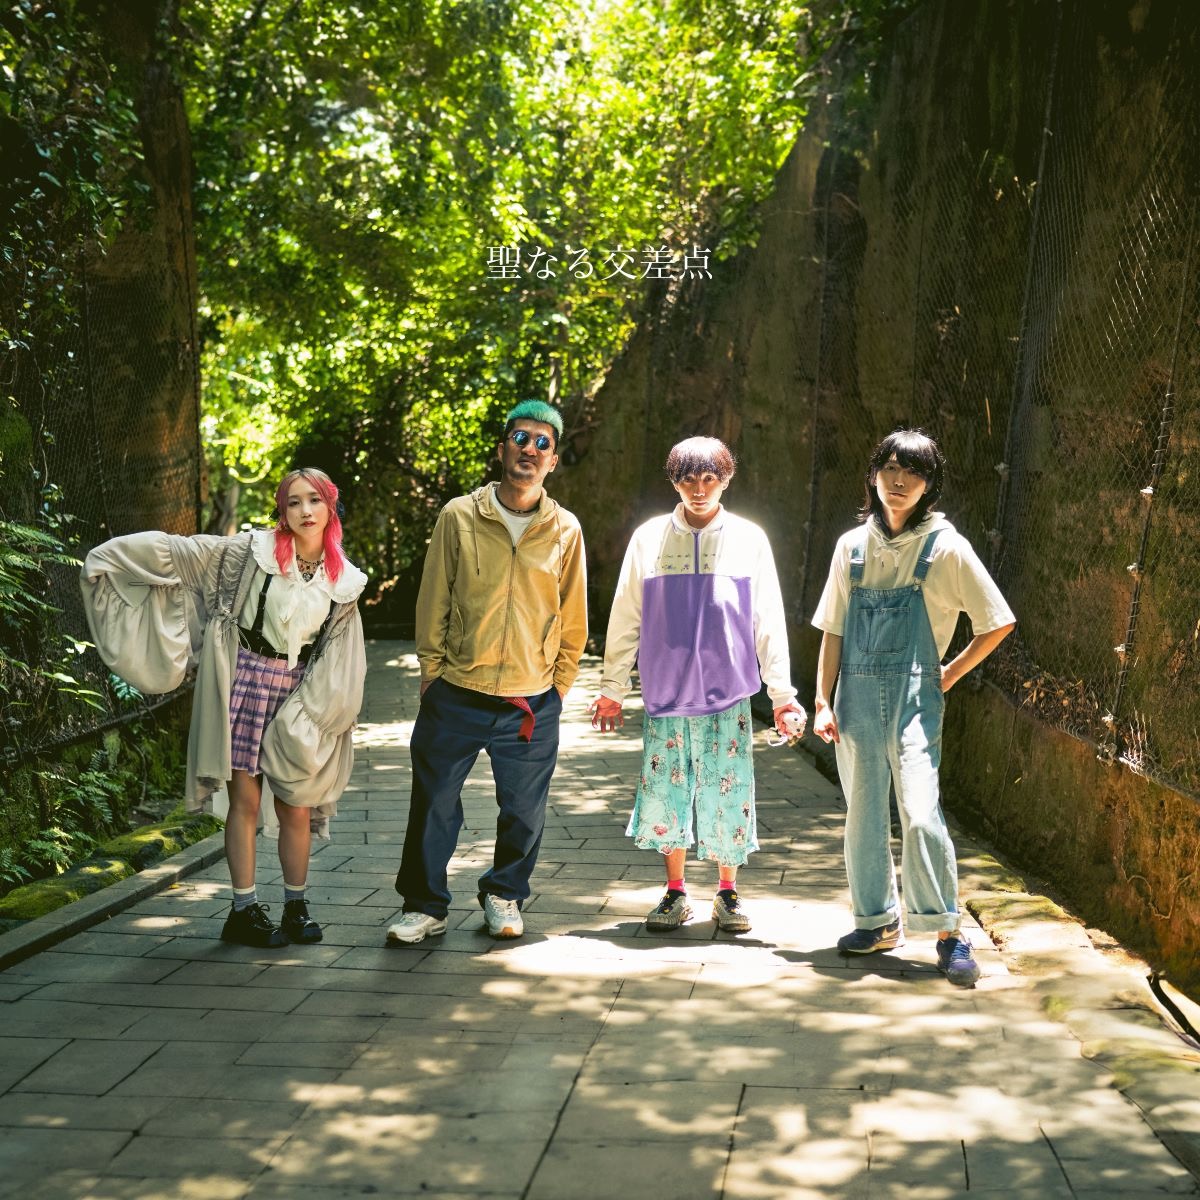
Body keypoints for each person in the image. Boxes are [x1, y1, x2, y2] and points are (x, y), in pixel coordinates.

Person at [80, 468, 367, 948]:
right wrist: (110, 557)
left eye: (314, 500)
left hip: (299, 697)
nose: (305, 511)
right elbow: (180, 552)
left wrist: (326, 712)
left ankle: (296, 908)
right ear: (282, 511)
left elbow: (341, 654)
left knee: (296, 806)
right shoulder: (248, 553)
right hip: (245, 684)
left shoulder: (345, 581)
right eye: (293, 502)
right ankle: (243, 910)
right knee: (246, 802)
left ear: (330, 506)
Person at [811, 429, 1015, 986]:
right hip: (853, 699)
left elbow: (997, 621)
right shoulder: (852, 546)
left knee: (921, 812)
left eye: (914, 472)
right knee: (863, 814)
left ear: (930, 485)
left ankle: (948, 932)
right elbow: (833, 629)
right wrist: (821, 700)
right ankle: (877, 922)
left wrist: (948, 674)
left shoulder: (946, 547)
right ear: (874, 475)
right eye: (891, 469)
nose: (899, 481)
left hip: (915, 699)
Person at [387, 400, 587, 944]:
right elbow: (434, 597)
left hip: (531, 699)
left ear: (553, 461)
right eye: (521, 438)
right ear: (502, 449)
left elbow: (573, 616)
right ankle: (424, 906)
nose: (530, 450)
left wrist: (559, 686)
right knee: (433, 804)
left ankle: (504, 895)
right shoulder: (459, 516)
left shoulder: (565, 529)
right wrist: (432, 670)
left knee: (524, 810)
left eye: (543, 443)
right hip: (457, 690)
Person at [591, 436, 805, 934]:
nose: (700, 489)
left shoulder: (749, 539)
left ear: (726, 480)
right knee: (667, 793)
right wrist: (612, 687)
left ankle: (727, 892)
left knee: (728, 791)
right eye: (688, 479)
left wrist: (782, 695)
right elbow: (626, 615)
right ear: (674, 482)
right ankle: (675, 891)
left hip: (728, 694)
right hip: (665, 694)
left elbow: (767, 617)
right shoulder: (648, 538)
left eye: (710, 478)